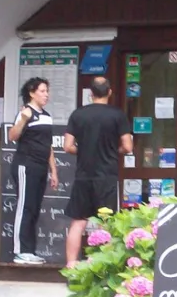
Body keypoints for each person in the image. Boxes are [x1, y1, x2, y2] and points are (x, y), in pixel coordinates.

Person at [63, 76, 132, 266]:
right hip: (107, 176)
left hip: (83, 175)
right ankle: (102, 265)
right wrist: (113, 150)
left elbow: (67, 146)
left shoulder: (78, 114)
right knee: (106, 223)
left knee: (78, 222)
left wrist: (84, 150)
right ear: (110, 92)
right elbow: (128, 146)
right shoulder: (118, 115)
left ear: (90, 94)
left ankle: (71, 266)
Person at [8, 77, 58, 265]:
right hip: (25, 164)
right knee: (25, 206)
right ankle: (20, 251)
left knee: (35, 208)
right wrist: (24, 120)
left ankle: (30, 250)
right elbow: (12, 136)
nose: (46, 95)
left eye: (47, 91)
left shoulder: (46, 115)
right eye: (43, 91)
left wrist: (53, 170)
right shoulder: (25, 112)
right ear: (32, 93)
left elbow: (48, 145)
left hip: (41, 166)